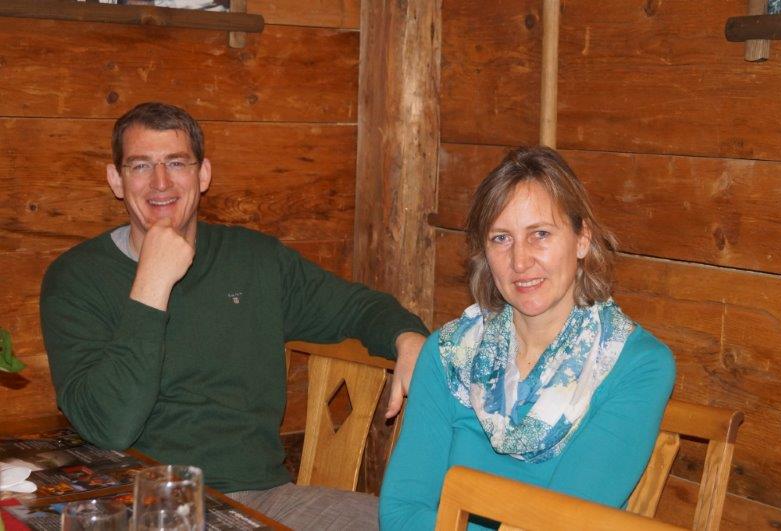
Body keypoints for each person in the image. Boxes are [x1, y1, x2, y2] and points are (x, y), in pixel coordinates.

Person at [39, 102, 428, 530]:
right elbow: (109, 426)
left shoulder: (255, 260)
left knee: (421, 524)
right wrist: (151, 283)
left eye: (177, 163)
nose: (160, 182)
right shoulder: (77, 278)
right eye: (141, 165)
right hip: (141, 503)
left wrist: (407, 336)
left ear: (203, 175)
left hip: (260, 498)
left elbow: (356, 306)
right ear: (116, 180)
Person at [379, 146, 675, 529]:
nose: (520, 261)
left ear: (582, 238)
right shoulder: (451, 354)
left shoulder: (636, 365)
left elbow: (562, 526)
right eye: (501, 238)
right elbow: (400, 512)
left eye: (540, 234)